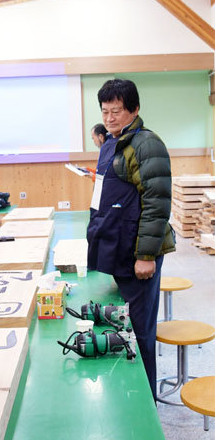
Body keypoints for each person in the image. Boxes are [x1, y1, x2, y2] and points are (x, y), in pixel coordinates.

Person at [86, 79, 175, 401]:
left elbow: (157, 203)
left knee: (139, 332)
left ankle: (145, 402)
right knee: (124, 328)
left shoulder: (146, 144)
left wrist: (146, 256)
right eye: (105, 111)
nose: (110, 118)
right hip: (117, 246)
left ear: (134, 110)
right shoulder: (112, 143)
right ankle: (130, 396)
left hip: (137, 251)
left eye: (117, 111)